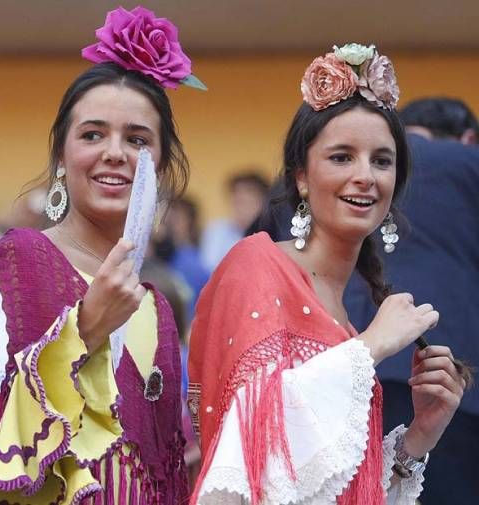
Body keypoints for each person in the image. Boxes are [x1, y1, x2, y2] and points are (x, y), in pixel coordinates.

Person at [0, 6, 204, 503]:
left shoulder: (158, 307)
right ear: (61, 157)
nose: (115, 152)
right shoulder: (22, 260)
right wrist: (84, 329)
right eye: (92, 134)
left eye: (137, 140)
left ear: (161, 164)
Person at [188, 44, 466, 504]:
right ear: (301, 176)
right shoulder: (256, 264)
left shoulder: (347, 320)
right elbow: (256, 443)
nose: (365, 176)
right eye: (341, 157)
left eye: (381, 160)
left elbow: (332, 484)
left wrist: (419, 436)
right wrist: (371, 348)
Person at [344, 97, 479, 504]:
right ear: (468, 137)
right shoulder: (470, 163)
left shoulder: (355, 162)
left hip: (354, 351)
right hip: (452, 366)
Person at [200, 171, 270, 273]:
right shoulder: (216, 230)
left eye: (247, 202)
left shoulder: (272, 231)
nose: (241, 208)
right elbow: (209, 268)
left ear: (263, 202)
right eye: (237, 201)